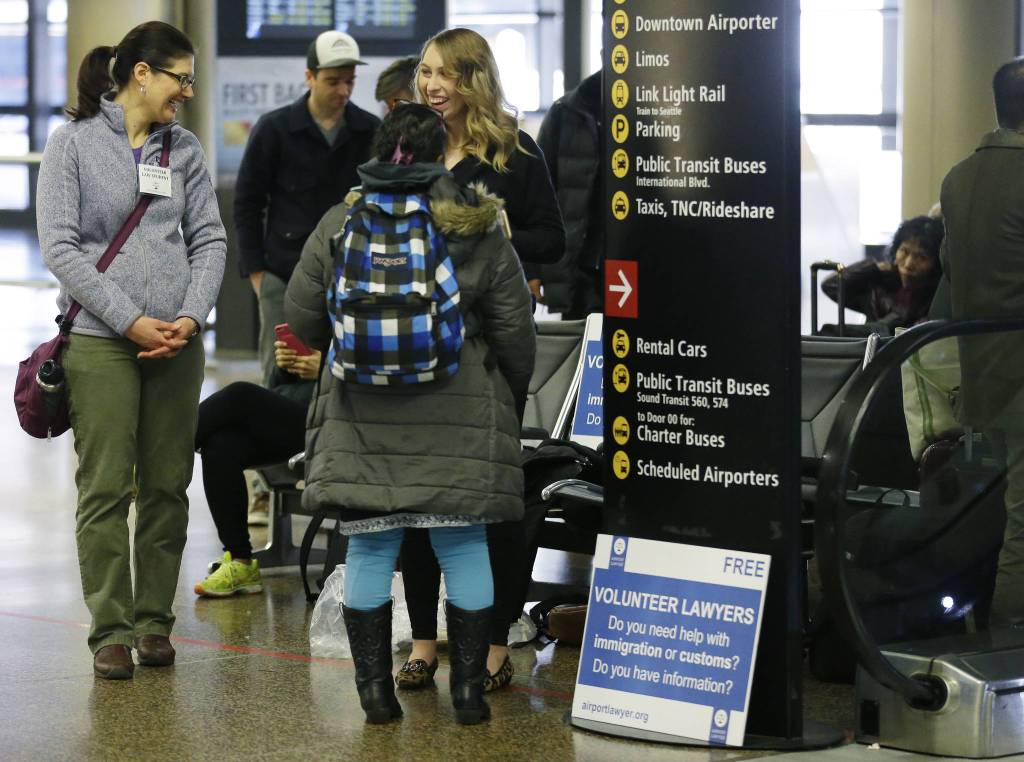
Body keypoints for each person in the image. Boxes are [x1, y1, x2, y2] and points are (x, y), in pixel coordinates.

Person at [284, 102, 535, 724]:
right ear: (438, 152)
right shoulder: (476, 226)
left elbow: (304, 316)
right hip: (459, 412)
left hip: (361, 419)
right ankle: (471, 694)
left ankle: (375, 696)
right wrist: (507, 394)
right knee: (465, 548)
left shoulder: (341, 223)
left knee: (370, 550)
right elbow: (515, 332)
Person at [36, 21, 225, 679]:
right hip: (102, 345)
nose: (187, 90)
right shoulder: (74, 146)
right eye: (180, 76)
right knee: (108, 486)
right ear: (141, 73)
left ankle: (153, 624)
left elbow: (210, 240)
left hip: (176, 344)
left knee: (169, 486)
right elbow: (59, 245)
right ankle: (110, 630)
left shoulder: (186, 150)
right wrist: (131, 320)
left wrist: (189, 316)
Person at [398, 26, 564, 695]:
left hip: (488, 348)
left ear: (474, 80)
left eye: (446, 75)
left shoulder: (515, 153)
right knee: (416, 501)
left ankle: (493, 646)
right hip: (415, 346)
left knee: (491, 499)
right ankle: (422, 644)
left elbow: (554, 240)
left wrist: (497, 232)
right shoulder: (412, 145)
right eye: (426, 73)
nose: (433, 86)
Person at [234, 30, 379, 386]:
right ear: (309, 77)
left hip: (350, 277)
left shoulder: (370, 130)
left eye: (349, 81)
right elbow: (247, 203)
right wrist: (257, 273)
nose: (343, 91)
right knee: (279, 375)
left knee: (338, 376)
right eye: (332, 81)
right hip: (281, 273)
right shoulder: (274, 130)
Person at [939, 57, 1024, 628]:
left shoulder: (959, 177)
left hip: (983, 376)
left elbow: (952, 268)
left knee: (1005, 519)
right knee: (1022, 528)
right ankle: (1007, 655)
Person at [192, 341, 321, 597]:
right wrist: (285, 366)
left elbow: (373, 378)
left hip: (333, 419)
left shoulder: (364, 316)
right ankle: (241, 562)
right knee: (220, 445)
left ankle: (151, 460)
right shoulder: (314, 318)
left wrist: (325, 368)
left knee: (239, 395)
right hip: (294, 412)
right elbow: (277, 385)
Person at [537, 69, 603, 318]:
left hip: (627, 265)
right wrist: (532, 270)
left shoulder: (648, 110)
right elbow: (538, 197)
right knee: (579, 349)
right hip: (577, 269)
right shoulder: (565, 112)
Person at [821, 215, 944, 335]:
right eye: (904, 251)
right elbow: (831, 286)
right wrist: (873, 268)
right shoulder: (879, 283)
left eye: (921, 257)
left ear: (935, 262)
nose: (909, 263)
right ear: (895, 249)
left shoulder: (936, 295)